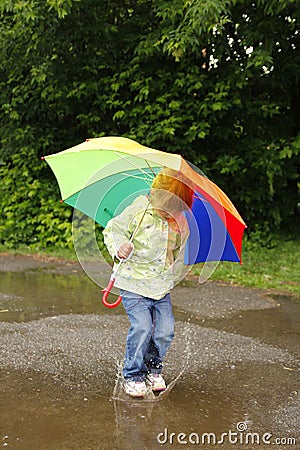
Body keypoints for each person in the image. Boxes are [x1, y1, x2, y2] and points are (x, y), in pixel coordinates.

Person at [103, 168, 194, 398]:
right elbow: (113, 230)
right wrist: (120, 246)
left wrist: (178, 240)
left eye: (176, 211)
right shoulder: (138, 209)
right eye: (167, 209)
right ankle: (133, 375)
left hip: (159, 286)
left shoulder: (179, 223)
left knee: (165, 331)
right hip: (133, 282)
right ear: (157, 197)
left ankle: (153, 369)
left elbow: (177, 253)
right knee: (142, 326)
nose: (170, 215)